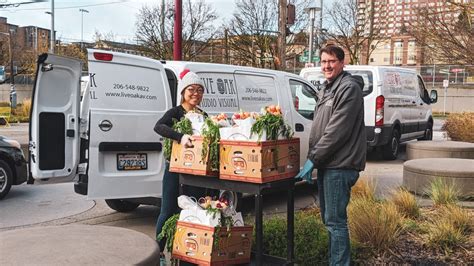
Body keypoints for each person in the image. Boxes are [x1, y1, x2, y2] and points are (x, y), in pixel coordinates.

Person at [295, 45, 366, 265]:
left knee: (335, 222)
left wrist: (312, 159)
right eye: (323, 61)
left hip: (341, 165)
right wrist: (315, 161)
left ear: (342, 63)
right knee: (330, 220)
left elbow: (336, 131)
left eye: (332, 61)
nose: (327, 66)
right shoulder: (328, 88)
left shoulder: (348, 88)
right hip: (329, 164)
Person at [154, 69, 210, 255]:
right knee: (168, 209)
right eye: (191, 89)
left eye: (200, 90)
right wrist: (180, 136)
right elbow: (159, 127)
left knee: (194, 209)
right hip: (175, 168)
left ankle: (187, 252)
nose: (196, 93)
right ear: (183, 92)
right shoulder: (175, 113)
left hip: (196, 172)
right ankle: (158, 252)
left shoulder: (204, 116)